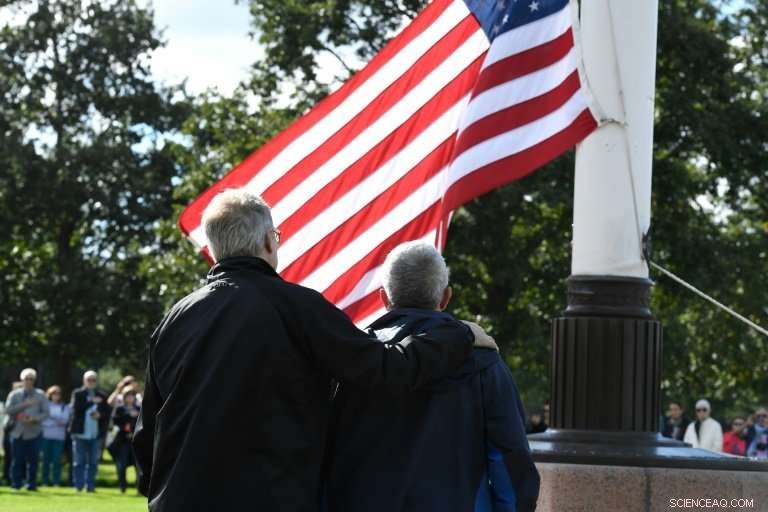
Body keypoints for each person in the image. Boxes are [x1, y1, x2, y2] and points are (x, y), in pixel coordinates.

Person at [133, 189, 493, 512]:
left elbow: (147, 435)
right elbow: (386, 368)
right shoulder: (300, 308)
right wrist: (458, 335)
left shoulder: (174, 320)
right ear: (269, 243)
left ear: (212, 249)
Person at [325, 241, 540, 512]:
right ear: (446, 296)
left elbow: (327, 458)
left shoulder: (354, 361)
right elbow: (510, 459)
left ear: (383, 298)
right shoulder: (484, 362)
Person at [4, 368, 49, 491]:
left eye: (31, 379)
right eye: (26, 379)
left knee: (33, 461)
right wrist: (24, 405)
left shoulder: (40, 395)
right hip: (17, 432)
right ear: (21, 380)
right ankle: (16, 484)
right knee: (17, 460)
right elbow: (8, 410)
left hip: (34, 432)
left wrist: (34, 419)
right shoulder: (14, 394)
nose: (28, 381)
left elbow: (46, 413)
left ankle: (31, 484)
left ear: (34, 380)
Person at [69, 370, 111, 492]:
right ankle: (78, 486)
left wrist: (100, 415)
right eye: (89, 380)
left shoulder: (102, 395)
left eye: (93, 380)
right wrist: (91, 401)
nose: (91, 382)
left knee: (93, 462)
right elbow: (76, 410)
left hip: (95, 434)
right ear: (84, 381)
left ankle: (90, 486)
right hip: (80, 433)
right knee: (78, 461)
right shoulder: (77, 393)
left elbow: (107, 413)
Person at [109, 386, 140, 493]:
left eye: (132, 396)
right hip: (122, 441)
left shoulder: (139, 408)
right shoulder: (119, 409)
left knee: (138, 466)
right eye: (128, 396)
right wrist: (128, 416)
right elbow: (115, 421)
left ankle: (139, 488)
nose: (130, 398)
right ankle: (122, 487)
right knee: (122, 465)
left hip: (136, 441)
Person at [40, 385, 71, 486]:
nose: (56, 396)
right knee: (46, 460)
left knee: (56, 460)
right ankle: (44, 481)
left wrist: (53, 420)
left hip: (59, 437)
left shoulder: (64, 407)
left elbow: (65, 420)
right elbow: (44, 421)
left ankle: (56, 481)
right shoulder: (46, 406)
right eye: (54, 394)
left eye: (58, 394)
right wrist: (55, 421)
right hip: (46, 436)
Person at [2, 381, 22, 486]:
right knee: (9, 456)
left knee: (19, 457)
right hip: (10, 431)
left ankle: (18, 478)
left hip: (23, 433)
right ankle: (7, 477)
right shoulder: (11, 402)